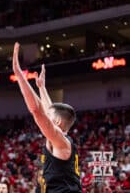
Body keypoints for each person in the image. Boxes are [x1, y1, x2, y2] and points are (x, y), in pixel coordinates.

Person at [12, 42, 81, 193]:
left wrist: (19, 75)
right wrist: (41, 88)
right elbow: (49, 110)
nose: (46, 115)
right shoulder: (59, 139)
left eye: (49, 116)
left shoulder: (61, 142)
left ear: (57, 122)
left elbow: (37, 111)